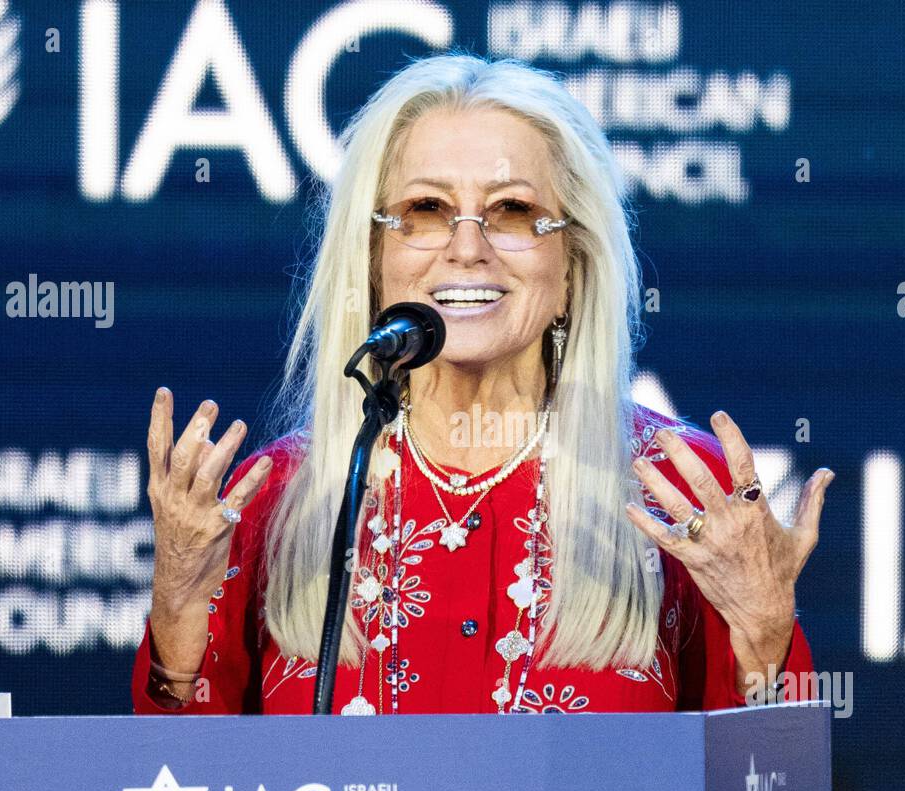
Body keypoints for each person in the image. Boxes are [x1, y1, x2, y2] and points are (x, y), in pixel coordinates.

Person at [133, 54, 833, 719]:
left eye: (513, 212)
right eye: (427, 210)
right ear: (373, 258)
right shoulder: (277, 499)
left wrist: (766, 638)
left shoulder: (681, 493)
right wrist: (174, 625)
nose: (467, 248)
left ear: (572, 269)